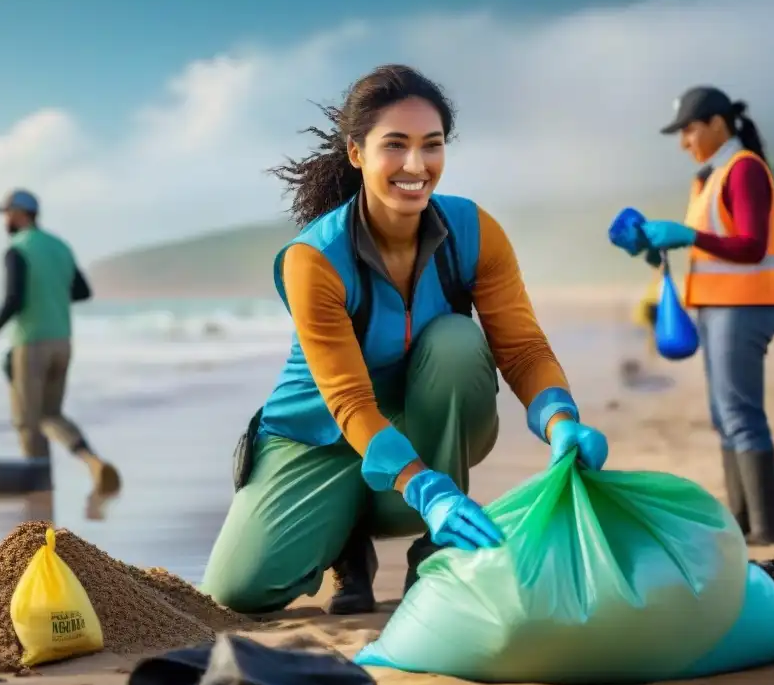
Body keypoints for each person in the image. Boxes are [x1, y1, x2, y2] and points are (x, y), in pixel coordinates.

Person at [201, 65, 610, 616]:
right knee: (240, 589)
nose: (416, 166)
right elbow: (347, 400)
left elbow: (522, 349)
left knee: (457, 341)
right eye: (395, 145)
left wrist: (562, 420)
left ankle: (436, 552)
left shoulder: (474, 231)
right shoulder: (313, 259)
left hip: (419, 423)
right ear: (356, 152)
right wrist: (426, 490)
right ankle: (347, 545)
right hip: (318, 438)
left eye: (432, 145)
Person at [630, 86, 774, 545]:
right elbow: (706, 242)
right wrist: (658, 246)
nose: (684, 142)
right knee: (724, 414)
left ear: (718, 123)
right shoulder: (708, 177)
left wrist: (687, 235)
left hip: (746, 304)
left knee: (741, 413)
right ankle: (743, 525)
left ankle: (769, 530)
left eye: (688, 130)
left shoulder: (744, 171)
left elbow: (751, 245)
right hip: (718, 305)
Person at [0, 189, 121, 519]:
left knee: (28, 422)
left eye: (7, 213)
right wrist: (51, 293)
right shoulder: (60, 247)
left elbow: (13, 299)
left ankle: (40, 495)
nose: (4, 220)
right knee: (50, 414)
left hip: (32, 343)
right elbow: (82, 292)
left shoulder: (17, 250)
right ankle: (93, 462)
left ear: (19, 213)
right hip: (63, 342)